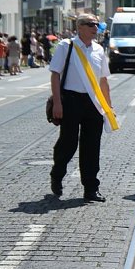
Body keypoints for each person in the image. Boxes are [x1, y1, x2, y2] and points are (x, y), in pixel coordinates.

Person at [50, 15, 117, 202]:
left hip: (93, 103)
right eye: (90, 24)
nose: (95, 28)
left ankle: (91, 188)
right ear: (79, 27)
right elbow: (55, 75)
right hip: (71, 100)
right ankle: (57, 173)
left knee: (92, 146)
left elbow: (103, 81)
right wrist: (57, 102)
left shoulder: (98, 50)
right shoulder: (67, 46)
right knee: (68, 142)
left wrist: (108, 106)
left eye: (97, 24)